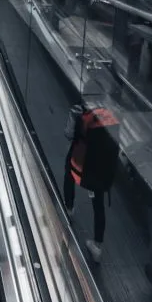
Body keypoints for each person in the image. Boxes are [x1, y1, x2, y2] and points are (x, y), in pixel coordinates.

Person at [63, 104, 120, 264]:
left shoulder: (81, 113)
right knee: (98, 204)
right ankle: (97, 245)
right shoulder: (110, 117)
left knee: (68, 170)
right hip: (100, 171)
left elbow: (68, 134)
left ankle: (69, 208)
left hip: (82, 166)